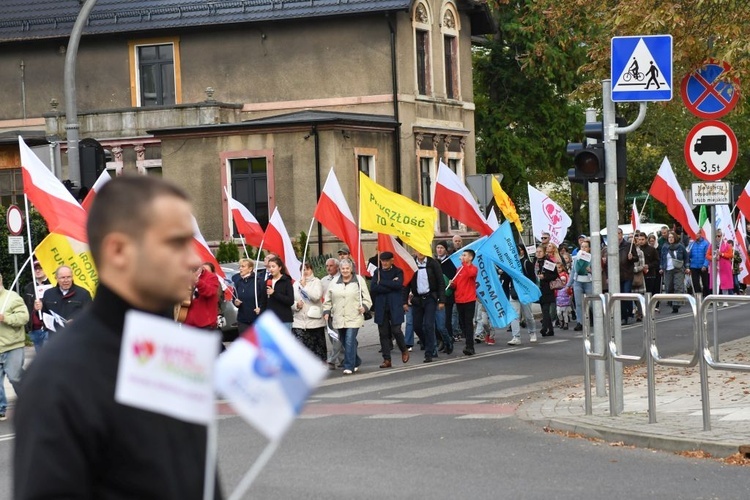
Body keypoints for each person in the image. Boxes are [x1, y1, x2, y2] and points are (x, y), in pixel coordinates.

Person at [14, 176, 223, 499]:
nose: (194, 259)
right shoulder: (60, 377)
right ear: (119, 250)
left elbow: (201, 481)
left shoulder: (172, 353)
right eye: (176, 242)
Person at [323, 259, 372, 375]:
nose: (345, 271)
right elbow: (328, 299)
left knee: (350, 340)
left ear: (351, 269)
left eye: (347, 268)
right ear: (340, 269)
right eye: (343, 268)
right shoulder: (334, 282)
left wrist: (364, 307)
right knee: (344, 341)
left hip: (354, 316)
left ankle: (348, 365)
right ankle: (357, 360)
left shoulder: (358, 280)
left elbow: (367, 299)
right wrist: (326, 311)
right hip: (339, 317)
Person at [370, 251, 410, 367]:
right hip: (381, 305)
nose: (385, 263)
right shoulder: (377, 272)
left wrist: (381, 283)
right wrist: (390, 284)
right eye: (383, 261)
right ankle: (387, 359)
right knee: (383, 333)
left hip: (395, 305)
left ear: (392, 260)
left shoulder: (398, 271)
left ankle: (404, 349)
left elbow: (398, 285)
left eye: (387, 261)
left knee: (396, 330)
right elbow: (373, 287)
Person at [407, 251, 446, 362]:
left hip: (430, 298)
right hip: (417, 299)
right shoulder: (412, 263)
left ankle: (429, 352)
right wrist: (404, 301)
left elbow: (440, 282)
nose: (420, 252)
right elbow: (407, 282)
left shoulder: (433, 263)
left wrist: (441, 300)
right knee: (417, 326)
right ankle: (427, 343)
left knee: (429, 325)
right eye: (417, 250)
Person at [0, 273, 29, 421]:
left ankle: (31, 403)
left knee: (15, 377)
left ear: (1, 279)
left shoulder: (12, 297)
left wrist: (5, 318)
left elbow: (24, 317)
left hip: (12, 346)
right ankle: (0, 409)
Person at [34, 265, 92, 331]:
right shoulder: (48, 294)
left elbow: (91, 315)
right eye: (62, 277)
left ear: (72, 277)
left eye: (68, 277)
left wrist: (77, 322)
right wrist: (38, 309)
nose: (66, 280)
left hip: (77, 336)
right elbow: (43, 316)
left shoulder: (83, 293)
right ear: (56, 278)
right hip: (55, 337)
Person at [292, 262, 327, 362]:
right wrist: (296, 305)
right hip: (299, 321)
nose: (305, 272)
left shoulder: (317, 282)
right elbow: (291, 300)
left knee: (316, 347)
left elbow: (316, 297)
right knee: (300, 347)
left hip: (314, 321)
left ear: (312, 270)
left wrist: (305, 287)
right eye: (302, 270)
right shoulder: (296, 284)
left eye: (307, 269)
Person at [507, 244, 539, 344]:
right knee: (514, 315)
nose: (518, 252)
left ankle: (532, 332)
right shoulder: (510, 263)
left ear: (523, 251)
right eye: (517, 250)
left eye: (520, 250)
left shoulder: (527, 263)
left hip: (525, 293)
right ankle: (516, 336)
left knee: (528, 315)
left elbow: (532, 279)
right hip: (514, 292)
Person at [449, 249, 478, 356]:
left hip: (469, 299)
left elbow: (470, 274)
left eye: (464, 255)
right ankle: (468, 342)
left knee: (468, 322)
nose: (462, 257)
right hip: (459, 300)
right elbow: (456, 284)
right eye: (462, 255)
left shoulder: (473, 268)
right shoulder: (459, 269)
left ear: (470, 258)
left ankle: (470, 346)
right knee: (463, 324)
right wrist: (452, 284)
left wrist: (464, 264)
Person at [23, 260, 51, 352]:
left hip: (49, 328)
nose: (37, 271)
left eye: (40, 268)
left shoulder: (52, 285)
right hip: (34, 329)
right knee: (40, 357)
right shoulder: (29, 287)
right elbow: (26, 307)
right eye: (35, 269)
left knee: (49, 357)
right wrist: (28, 327)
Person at [321, 258, 344, 370]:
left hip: (338, 312)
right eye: (327, 266)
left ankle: (331, 360)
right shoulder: (324, 280)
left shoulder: (342, 278)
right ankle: (344, 359)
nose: (328, 268)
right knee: (332, 337)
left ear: (337, 267)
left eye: (331, 266)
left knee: (337, 337)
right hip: (327, 312)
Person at [231, 258, 265, 333]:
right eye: (240, 266)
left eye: (243, 266)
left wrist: (261, 308)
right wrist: (235, 302)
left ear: (250, 269)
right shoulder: (238, 281)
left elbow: (264, 298)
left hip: (257, 318)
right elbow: (234, 297)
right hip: (243, 319)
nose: (240, 268)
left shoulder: (258, 280)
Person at [184, 262, 220, 330]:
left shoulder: (211, 277)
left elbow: (210, 292)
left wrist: (198, 282)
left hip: (205, 324)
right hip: (188, 324)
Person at [434, 240, 456, 353]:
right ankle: (441, 340)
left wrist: (452, 283)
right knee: (437, 321)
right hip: (436, 295)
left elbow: (455, 277)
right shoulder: (434, 262)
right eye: (438, 247)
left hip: (447, 296)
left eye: (442, 248)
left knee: (446, 321)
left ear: (446, 250)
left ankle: (449, 340)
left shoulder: (449, 262)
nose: (439, 250)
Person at [660, 230, 688, 313]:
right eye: (669, 237)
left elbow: (686, 257)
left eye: (672, 237)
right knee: (669, 287)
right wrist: (661, 267)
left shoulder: (680, 246)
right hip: (668, 269)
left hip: (678, 269)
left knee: (678, 286)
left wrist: (687, 267)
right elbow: (662, 258)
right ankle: (672, 301)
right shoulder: (665, 247)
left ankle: (676, 305)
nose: (670, 239)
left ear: (675, 238)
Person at [535, 245, 559, 336]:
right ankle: (551, 330)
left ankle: (544, 328)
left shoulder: (549, 262)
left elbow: (554, 275)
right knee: (543, 309)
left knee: (545, 309)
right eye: (537, 252)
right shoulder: (535, 262)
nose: (538, 253)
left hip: (547, 288)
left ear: (544, 252)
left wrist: (545, 277)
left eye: (540, 251)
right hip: (538, 288)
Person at [569, 240, 592, 331]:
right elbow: (573, 272)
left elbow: (599, 271)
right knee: (578, 303)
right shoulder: (576, 258)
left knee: (590, 303)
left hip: (588, 282)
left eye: (586, 247)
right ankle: (580, 322)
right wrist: (568, 284)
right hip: (578, 282)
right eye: (582, 247)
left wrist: (590, 270)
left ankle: (590, 318)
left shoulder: (592, 258)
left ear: (589, 248)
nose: (584, 249)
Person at [265, 256, 295, 326]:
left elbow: (290, 301)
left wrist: (274, 293)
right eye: (269, 267)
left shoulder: (286, 281)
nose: (271, 269)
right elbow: (263, 301)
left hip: (284, 320)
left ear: (280, 268)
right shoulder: (267, 281)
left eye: (273, 266)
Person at [555, 262, 572, 330]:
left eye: (559, 267)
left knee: (565, 312)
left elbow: (568, 284)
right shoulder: (555, 276)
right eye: (557, 268)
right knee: (558, 312)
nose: (558, 269)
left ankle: (566, 323)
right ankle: (561, 321)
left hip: (565, 296)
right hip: (558, 297)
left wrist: (569, 292)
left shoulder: (565, 275)